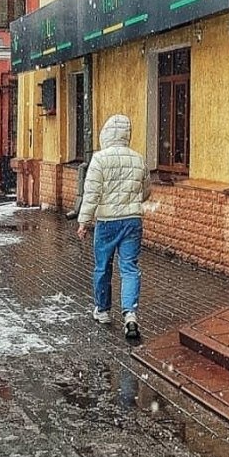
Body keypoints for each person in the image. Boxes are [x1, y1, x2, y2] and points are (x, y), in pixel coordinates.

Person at [76, 113, 151, 340]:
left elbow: (92, 194)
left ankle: (103, 310)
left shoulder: (99, 159)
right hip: (132, 221)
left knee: (103, 266)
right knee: (129, 267)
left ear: (106, 134)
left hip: (107, 222)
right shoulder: (138, 159)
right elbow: (146, 191)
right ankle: (130, 314)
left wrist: (84, 221)